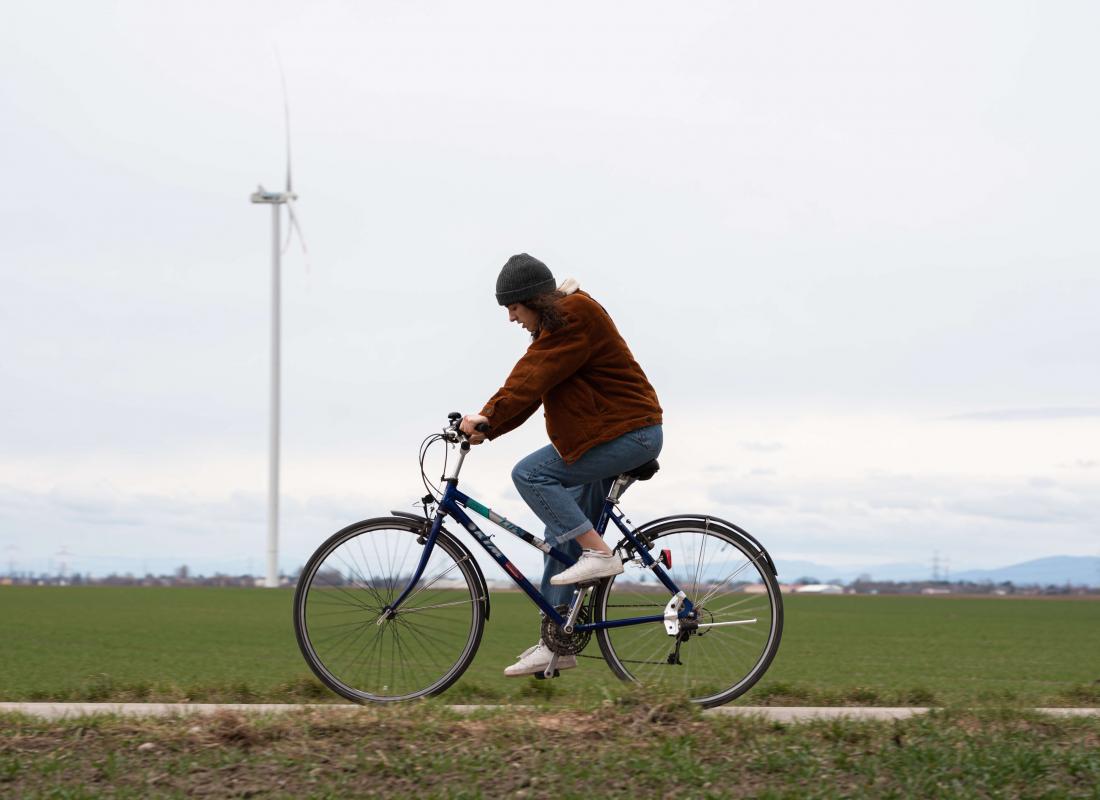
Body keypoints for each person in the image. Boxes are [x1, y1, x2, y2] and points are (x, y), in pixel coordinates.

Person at [460, 253, 663, 677]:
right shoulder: (559, 326)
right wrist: (489, 426)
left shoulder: (573, 315)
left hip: (630, 434)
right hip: (607, 436)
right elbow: (535, 388)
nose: (511, 318)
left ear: (533, 300)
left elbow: (531, 376)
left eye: (514, 308)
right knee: (561, 535)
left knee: (531, 474)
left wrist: (487, 416)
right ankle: (557, 643)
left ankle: (600, 553)